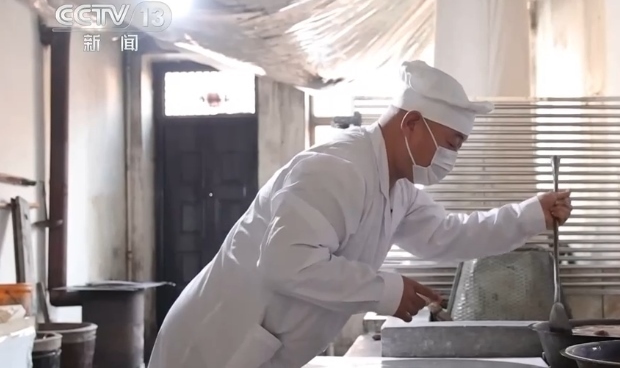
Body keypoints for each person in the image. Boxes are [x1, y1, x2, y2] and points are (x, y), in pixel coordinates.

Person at [148, 60, 574, 368]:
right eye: (451, 144)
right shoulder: (338, 168)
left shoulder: (397, 187)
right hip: (215, 345)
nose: (452, 158)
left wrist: (532, 215)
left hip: (257, 348)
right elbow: (286, 263)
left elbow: (450, 234)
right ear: (411, 123)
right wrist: (387, 290)